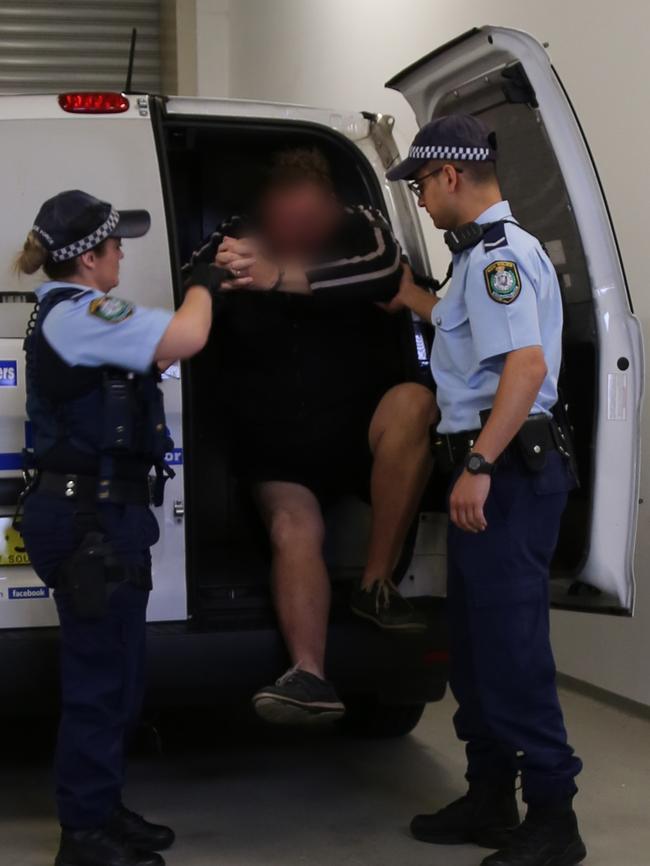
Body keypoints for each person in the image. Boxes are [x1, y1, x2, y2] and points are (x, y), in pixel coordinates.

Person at [385, 116, 586, 866]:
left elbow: (525, 369)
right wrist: (408, 296)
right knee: (475, 650)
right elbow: (466, 332)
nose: (421, 200)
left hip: (504, 476)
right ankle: (491, 796)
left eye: (420, 184)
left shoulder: (501, 257)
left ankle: (554, 819)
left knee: (512, 652)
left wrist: (478, 466)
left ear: (450, 176)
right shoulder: (474, 263)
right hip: (494, 472)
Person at [184, 148, 437, 725]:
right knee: (294, 527)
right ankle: (308, 676)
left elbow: (383, 272)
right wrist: (230, 270)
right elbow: (190, 278)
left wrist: (276, 278)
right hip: (277, 441)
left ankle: (376, 584)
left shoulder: (361, 227)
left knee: (415, 403)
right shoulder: (239, 233)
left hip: (356, 430)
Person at [16, 190, 217, 866]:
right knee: (100, 680)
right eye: (116, 245)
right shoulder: (82, 313)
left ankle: (102, 807)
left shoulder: (78, 320)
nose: (123, 254)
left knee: (121, 675)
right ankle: (83, 834)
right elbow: (188, 336)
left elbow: (144, 367)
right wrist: (207, 281)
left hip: (104, 515)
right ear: (90, 257)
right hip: (86, 520)